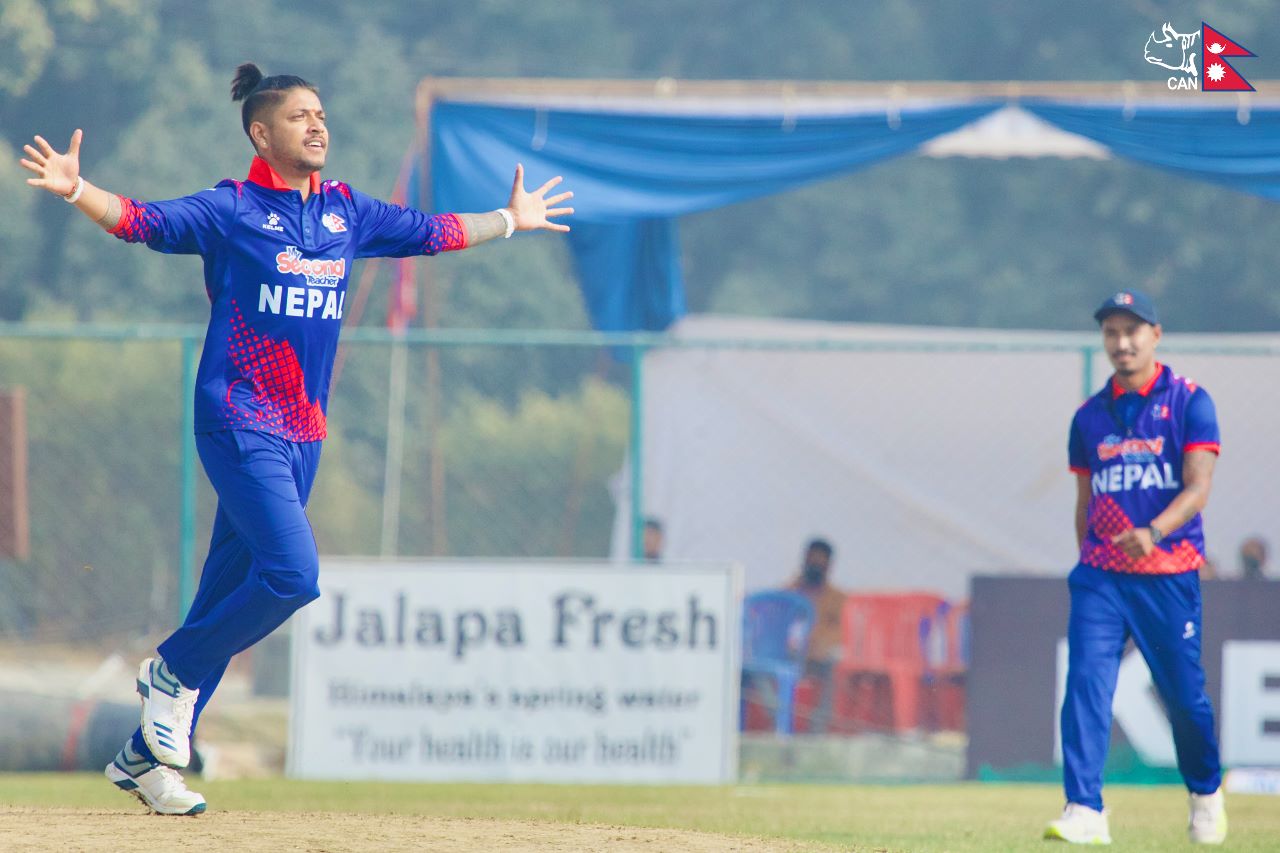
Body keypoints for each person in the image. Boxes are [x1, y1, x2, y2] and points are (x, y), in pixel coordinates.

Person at [19, 63, 572, 816]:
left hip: (303, 435)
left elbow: (436, 234)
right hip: (239, 418)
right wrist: (76, 188)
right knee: (292, 573)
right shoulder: (233, 208)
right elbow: (144, 221)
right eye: (299, 116)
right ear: (261, 132)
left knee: (223, 593)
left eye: (321, 114)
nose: (317, 125)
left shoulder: (348, 212)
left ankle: (145, 761)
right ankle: (170, 669)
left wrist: (510, 219)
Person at [1047, 290, 1226, 845]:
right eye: (1111, 333)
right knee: (1086, 683)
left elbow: (1198, 489)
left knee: (1182, 696)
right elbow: (1085, 497)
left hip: (1168, 572)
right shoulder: (1089, 415)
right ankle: (1085, 809)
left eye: (1132, 331)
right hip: (1101, 575)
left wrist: (1152, 533)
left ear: (1155, 334)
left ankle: (1205, 793)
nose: (1121, 343)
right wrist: (1088, 559)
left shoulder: (1190, 401)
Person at [785, 537, 844, 734]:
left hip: (818, 658)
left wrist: (820, 643)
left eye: (820, 563)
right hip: (788, 655)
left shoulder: (836, 598)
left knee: (835, 667)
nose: (815, 567)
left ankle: (815, 733)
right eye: (812, 561)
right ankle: (781, 729)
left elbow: (842, 632)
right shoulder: (787, 593)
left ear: (828, 565)